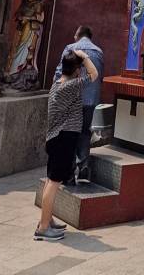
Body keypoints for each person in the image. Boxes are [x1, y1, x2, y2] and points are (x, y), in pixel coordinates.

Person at [36, 48, 97, 241]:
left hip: (55, 138)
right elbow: (94, 74)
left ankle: (46, 219)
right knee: (54, 183)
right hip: (63, 138)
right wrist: (85, 56)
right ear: (78, 70)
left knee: (50, 180)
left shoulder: (58, 84)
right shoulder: (71, 86)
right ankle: (44, 228)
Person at [53, 25, 103, 184]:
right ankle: (83, 166)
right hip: (91, 100)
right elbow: (99, 76)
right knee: (84, 131)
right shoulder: (98, 52)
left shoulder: (71, 48)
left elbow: (59, 73)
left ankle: (69, 172)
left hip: (71, 99)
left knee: (69, 134)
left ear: (77, 36)